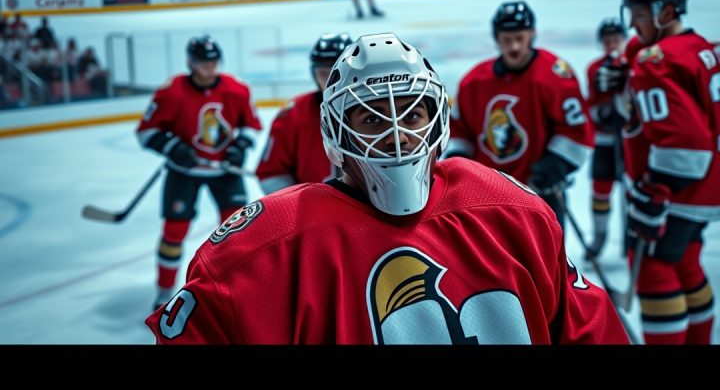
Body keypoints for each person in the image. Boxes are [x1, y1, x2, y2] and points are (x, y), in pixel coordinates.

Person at [146, 32, 628, 344]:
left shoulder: (513, 212)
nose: (397, 134)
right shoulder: (267, 247)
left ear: (437, 118)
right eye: (373, 118)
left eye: (412, 114)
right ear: (337, 130)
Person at [618, 0, 718, 344]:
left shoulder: (655, 61)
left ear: (667, 12)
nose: (632, 23)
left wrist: (655, 189)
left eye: (640, 14)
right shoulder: (699, 46)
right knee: (686, 261)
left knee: (653, 270)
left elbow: (685, 144)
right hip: (707, 186)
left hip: (679, 190)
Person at [136, 35, 262, 310]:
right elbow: (146, 132)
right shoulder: (171, 92)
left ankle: (233, 292)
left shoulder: (237, 89)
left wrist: (240, 146)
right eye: (203, 62)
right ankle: (164, 293)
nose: (210, 67)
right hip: (184, 173)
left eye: (214, 62)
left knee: (237, 235)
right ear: (190, 63)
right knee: (174, 232)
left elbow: (252, 125)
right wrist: (171, 147)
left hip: (225, 173)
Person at [446, 1, 593, 229]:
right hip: (488, 196)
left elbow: (576, 130)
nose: (514, 46)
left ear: (532, 34)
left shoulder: (554, 75)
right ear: (496, 38)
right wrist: (461, 166)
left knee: (547, 250)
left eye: (519, 38)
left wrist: (555, 165)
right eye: (507, 39)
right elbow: (459, 131)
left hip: (540, 192)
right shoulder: (473, 82)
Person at [256, 33, 352, 194]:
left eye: (339, 72)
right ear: (314, 74)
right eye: (324, 73)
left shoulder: (377, 109)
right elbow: (271, 173)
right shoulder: (293, 115)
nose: (332, 81)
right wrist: (300, 203)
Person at [584, 17, 628, 259]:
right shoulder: (594, 69)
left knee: (633, 192)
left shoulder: (634, 64)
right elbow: (590, 103)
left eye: (616, 39)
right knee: (600, 190)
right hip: (604, 141)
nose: (611, 44)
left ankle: (632, 235)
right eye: (607, 40)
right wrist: (601, 114)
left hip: (630, 142)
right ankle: (600, 236)